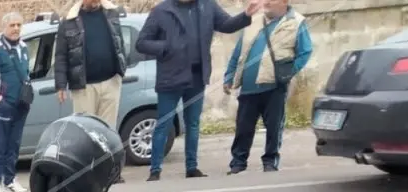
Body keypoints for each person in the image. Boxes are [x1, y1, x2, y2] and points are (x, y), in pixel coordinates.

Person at [136, 0, 262, 180]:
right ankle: (155, 170)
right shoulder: (161, 10)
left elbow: (226, 25)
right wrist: (166, 47)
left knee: (193, 124)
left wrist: (245, 16)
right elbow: (142, 43)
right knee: (164, 123)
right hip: (170, 77)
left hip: (196, 76)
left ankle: (192, 167)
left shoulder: (207, 6)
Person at [223, 0, 312, 173]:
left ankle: (270, 162)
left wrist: (288, 72)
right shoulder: (253, 21)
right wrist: (229, 76)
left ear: (284, 2)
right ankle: (238, 163)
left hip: (274, 86)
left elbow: (305, 52)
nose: (267, 2)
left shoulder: (296, 22)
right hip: (248, 87)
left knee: (273, 127)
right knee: (243, 127)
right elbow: (238, 52)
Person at [54, 0, 128, 138]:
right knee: (86, 133)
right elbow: (60, 55)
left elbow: (119, 42)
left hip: (111, 82)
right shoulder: (69, 21)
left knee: (108, 132)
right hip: (84, 88)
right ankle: (89, 160)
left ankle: (106, 160)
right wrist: (61, 85)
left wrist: (123, 68)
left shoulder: (111, 14)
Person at [0, 12, 32, 192]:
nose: (16, 28)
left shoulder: (24, 48)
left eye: (19, 25)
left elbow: (26, 74)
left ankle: (10, 179)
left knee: (14, 144)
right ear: (5, 27)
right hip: (3, 105)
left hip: (21, 106)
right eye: (12, 25)